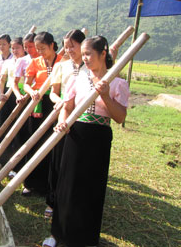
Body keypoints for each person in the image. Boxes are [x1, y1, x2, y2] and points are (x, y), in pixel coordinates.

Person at [44, 36, 130, 247]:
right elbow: (67, 106)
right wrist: (63, 123)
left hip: (98, 138)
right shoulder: (79, 78)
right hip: (76, 134)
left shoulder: (118, 83)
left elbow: (120, 117)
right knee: (68, 184)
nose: (85, 58)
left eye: (89, 54)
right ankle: (58, 234)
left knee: (91, 187)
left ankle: (85, 238)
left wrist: (106, 96)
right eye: (83, 54)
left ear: (103, 54)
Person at [45, 29, 87, 216]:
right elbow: (53, 92)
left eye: (72, 46)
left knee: (77, 162)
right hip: (63, 115)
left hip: (84, 119)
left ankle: (75, 202)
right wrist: (59, 101)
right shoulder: (62, 66)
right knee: (58, 160)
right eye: (66, 46)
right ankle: (53, 201)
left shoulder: (91, 66)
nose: (69, 50)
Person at [22, 31, 61, 196]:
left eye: (43, 48)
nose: (40, 52)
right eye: (37, 49)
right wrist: (31, 92)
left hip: (56, 104)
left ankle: (50, 185)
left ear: (52, 45)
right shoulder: (35, 62)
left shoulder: (63, 62)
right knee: (34, 141)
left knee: (52, 144)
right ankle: (31, 183)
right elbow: (26, 84)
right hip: (38, 104)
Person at [0, 37, 26, 169]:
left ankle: (17, 163)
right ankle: (2, 159)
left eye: (17, 48)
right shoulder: (8, 63)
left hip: (21, 96)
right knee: (5, 127)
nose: (14, 50)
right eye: (13, 48)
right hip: (8, 96)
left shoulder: (28, 61)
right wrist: (1, 93)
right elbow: (2, 80)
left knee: (19, 129)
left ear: (23, 48)